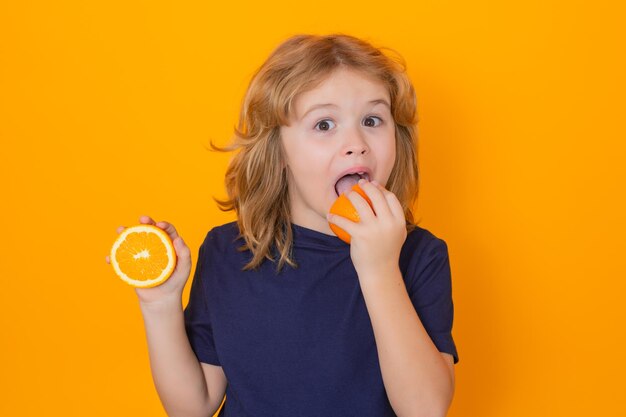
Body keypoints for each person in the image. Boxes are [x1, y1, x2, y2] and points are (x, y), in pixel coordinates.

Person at [107, 33, 458, 417]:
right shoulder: (227, 252)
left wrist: (379, 267)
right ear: (279, 152)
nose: (356, 142)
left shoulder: (420, 255)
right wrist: (160, 305)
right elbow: (193, 407)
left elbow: (424, 410)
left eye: (372, 120)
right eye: (324, 125)